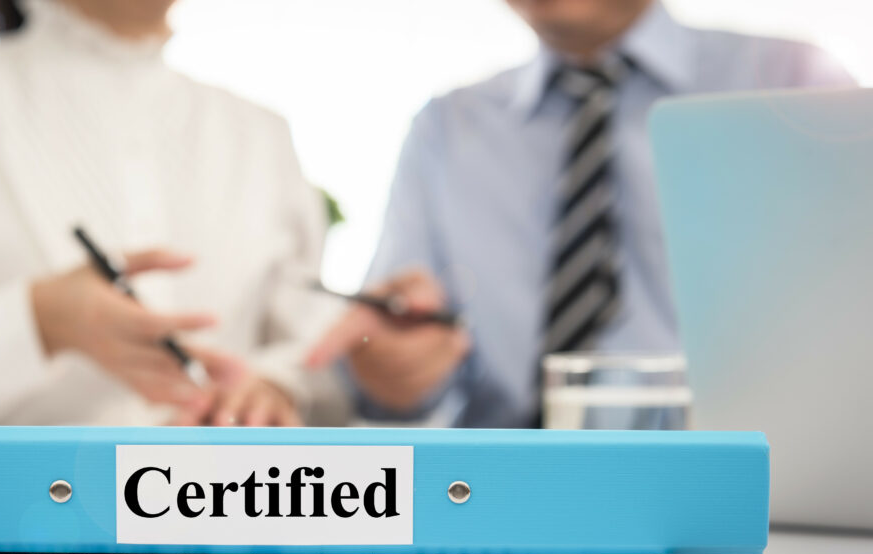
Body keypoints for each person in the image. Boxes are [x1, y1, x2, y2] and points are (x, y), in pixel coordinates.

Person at [308, 0, 854, 428]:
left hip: (739, 493)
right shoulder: (447, 128)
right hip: (506, 496)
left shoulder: (793, 81)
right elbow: (387, 367)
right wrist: (391, 372)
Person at [0, 0, 345, 426]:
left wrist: (273, 387)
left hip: (217, 514)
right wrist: (38, 321)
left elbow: (314, 353)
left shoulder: (261, 134)